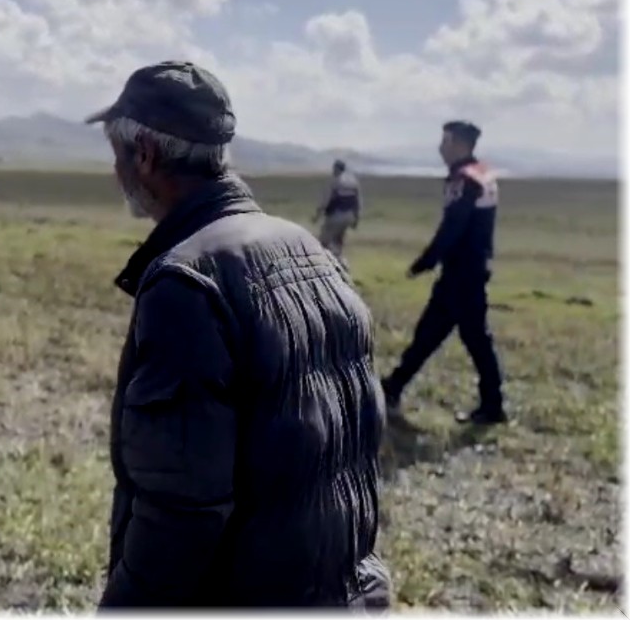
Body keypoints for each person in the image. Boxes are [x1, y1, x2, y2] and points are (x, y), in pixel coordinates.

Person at [83, 60, 390, 609]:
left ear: (144, 155)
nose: (115, 171)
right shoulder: (312, 252)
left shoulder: (186, 283)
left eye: (117, 154)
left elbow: (180, 511)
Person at [381, 120, 506, 425]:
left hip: (462, 273)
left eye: (445, 141)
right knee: (436, 333)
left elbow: (453, 227)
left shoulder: (465, 180)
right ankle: (394, 386)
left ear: (458, 144)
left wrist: (426, 261)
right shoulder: (482, 173)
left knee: (467, 338)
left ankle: (492, 405)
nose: (440, 148)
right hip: (470, 269)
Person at [312, 159, 361, 266]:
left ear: (337, 169)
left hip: (335, 215)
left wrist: (317, 216)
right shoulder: (353, 182)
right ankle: (340, 264)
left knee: (324, 241)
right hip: (349, 216)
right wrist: (356, 219)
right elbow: (357, 202)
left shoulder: (335, 181)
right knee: (338, 241)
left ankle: (326, 265)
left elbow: (325, 201)